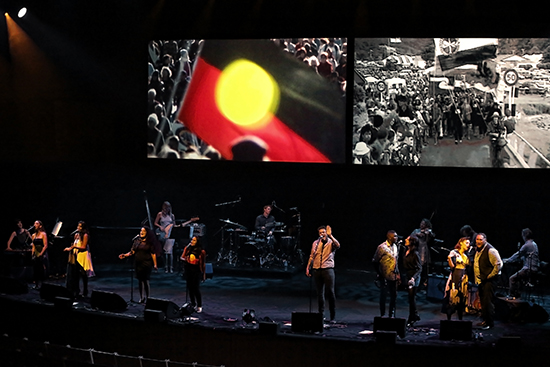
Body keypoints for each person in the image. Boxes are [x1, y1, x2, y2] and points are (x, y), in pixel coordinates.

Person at [306, 225, 340, 322]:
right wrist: (308, 267)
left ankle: (332, 316)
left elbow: (338, 245)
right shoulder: (315, 243)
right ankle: (321, 315)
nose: (322, 234)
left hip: (327, 269)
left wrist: (331, 236)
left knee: (331, 292)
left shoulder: (331, 243)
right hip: (317, 269)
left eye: (323, 232)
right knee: (320, 294)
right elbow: (312, 255)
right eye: (320, 233)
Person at [119, 227, 159, 303]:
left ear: (147, 233)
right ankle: (142, 297)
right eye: (141, 231)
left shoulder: (149, 242)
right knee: (140, 280)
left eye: (143, 231)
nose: (141, 232)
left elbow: (153, 254)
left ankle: (148, 298)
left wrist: (155, 264)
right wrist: (125, 255)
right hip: (138, 263)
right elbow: (132, 252)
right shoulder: (137, 241)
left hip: (146, 263)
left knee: (145, 280)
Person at [473, 233, 502, 329]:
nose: (478, 241)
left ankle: (489, 323)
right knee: (483, 301)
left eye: (480, 239)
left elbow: (498, 264)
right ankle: (485, 321)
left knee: (488, 302)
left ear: (485, 240)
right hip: (482, 280)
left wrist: (490, 275)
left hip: (490, 280)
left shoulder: (491, 250)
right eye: (477, 239)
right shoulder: (478, 250)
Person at [504, 228, 540, 299]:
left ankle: (512, 295)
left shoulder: (527, 245)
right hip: (534, 268)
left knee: (512, 278)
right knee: (518, 277)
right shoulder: (534, 244)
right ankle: (517, 294)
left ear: (524, 236)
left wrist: (508, 260)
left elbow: (518, 254)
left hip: (529, 269)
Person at [372, 230, 400, 317]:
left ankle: (391, 314)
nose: (396, 238)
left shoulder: (395, 246)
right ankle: (382, 314)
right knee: (383, 296)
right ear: (389, 237)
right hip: (384, 275)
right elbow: (375, 261)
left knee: (394, 296)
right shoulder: (382, 247)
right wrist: (379, 273)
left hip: (393, 275)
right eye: (394, 236)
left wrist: (398, 273)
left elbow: (396, 261)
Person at [64, 221, 95, 298]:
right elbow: (74, 245)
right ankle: (76, 290)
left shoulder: (85, 235)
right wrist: (70, 248)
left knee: (83, 274)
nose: (78, 227)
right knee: (76, 274)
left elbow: (84, 247)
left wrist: (75, 247)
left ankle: (85, 291)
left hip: (83, 255)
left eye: (80, 226)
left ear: (83, 228)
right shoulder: (77, 235)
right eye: (78, 226)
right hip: (77, 256)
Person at [442, 237, 470, 321]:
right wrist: (449, 258)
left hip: (463, 277)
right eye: (466, 243)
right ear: (461, 243)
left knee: (462, 298)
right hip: (455, 276)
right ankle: (449, 319)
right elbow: (452, 266)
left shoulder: (466, 255)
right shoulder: (454, 252)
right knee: (452, 298)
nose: (468, 245)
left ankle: (460, 319)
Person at [181, 236, 206, 312]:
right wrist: (186, 259)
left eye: (194, 240)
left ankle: (199, 305)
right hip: (188, 269)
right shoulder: (187, 248)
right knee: (190, 288)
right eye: (192, 240)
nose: (192, 241)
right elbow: (182, 257)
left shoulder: (201, 251)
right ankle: (193, 304)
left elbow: (203, 263)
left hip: (196, 270)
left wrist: (204, 274)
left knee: (195, 288)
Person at [402, 234, 422, 326]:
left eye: (408, 239)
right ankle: (415, 315)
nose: (406, 239)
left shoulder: (415, 254)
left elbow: (419, 268)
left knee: (412, 297)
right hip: (408, 275)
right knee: (410, 298)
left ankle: (412, 317)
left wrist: (413, 278)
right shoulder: (406, 251)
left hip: (414, 277)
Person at [410, 218, 435, 287]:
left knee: (422, 266)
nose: (422, 225)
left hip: (423, 250)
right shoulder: (416, 230)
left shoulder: (427, 231)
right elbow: (410, 237)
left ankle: (422, 283)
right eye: (421, 223)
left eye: (424, 224)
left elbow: (432, 235)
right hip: (416, 249)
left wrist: (426, 232)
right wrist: (417, 235)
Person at [154, 201, 176, 273]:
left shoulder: (172, 215)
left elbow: (174, 225)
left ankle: (171, 267)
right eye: (166, 208)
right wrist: (160, 226)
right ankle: (166, 267)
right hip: (163, 233)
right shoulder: (160, 214)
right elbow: (155, 223)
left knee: (170, 251)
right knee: (165, 251)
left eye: (168, 208)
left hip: (170, 233)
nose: (167, 209)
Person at [30, 220, 48, 289]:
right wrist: (32, 254)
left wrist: (41, 253)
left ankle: (42, 285)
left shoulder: (43, 234)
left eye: (37, 223)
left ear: (40, 226)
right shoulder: (33, 235)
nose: (35, 224)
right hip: (36, 253)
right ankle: (37, 284)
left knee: (41, 270)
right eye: (34, 223)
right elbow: (33, 246)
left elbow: (45, 245)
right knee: (36, 269)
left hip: (42, 253)